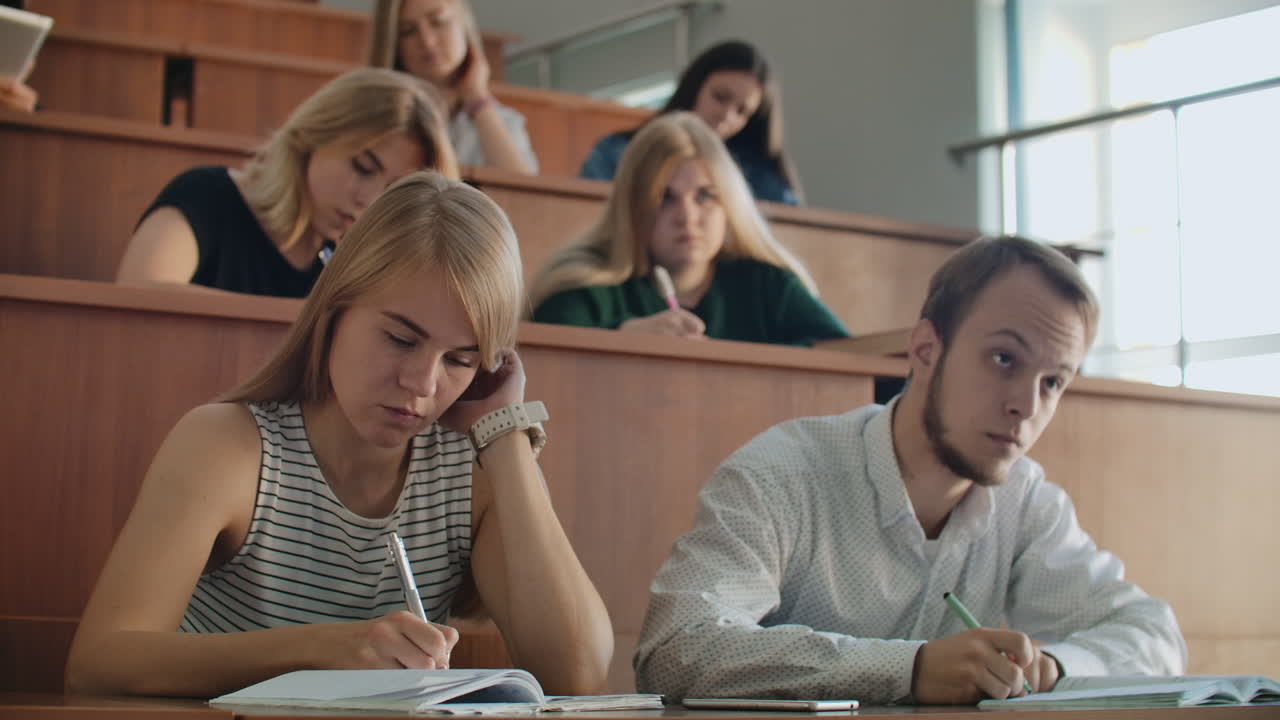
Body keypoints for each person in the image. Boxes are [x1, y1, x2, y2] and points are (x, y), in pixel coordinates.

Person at [66, 171, 613, 698]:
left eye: (461, 359)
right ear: (335, 310)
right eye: (401, 339)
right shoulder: (230, 445)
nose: (422, 384)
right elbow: (98, 665)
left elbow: (577, 672)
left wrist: (506, 436)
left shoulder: (471, 473)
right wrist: (320, 649)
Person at [633, 236, 1187, 705]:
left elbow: (1155, 637)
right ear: (924, 349)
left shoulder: (1026, 502)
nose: (1026, 405)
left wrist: (1057, 668)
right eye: (1004, 359)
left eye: (1053, 382)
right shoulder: (783, 472)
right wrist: (910, 668)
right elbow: (676, 648)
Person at [116, 68, 456, 298]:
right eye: (363, 167)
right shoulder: (207, 194)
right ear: (314, 136)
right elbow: (138, 292)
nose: (367, 200)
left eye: (391, 190)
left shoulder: (353, 265)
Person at [530, 113, 846, 347]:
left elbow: (842, 356)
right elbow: (545, 362)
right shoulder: (583, 289)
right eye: (665, 198)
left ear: (729, 206)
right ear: (633, 207)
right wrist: (622, 338)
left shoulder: (769, 285)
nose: (687, 216)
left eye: (705, 196)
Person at [580, 40, 802, 206]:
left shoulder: (762, 180)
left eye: (742, 111)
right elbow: (589, 220)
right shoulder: (616, 153)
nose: (727, 116)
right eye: (720, 97)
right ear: (694, 88)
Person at [369, 0, 537, 174]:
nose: (427, 41)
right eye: (408, 31)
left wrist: (477, 98)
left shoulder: (504, 121)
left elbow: (521, 185)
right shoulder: (376, 118)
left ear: (464, 26)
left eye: (438, 22)